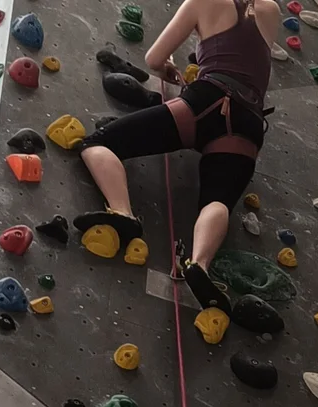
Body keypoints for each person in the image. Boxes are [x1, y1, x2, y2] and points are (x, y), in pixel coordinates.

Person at [75, 0, 280, 310]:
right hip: (249, 122)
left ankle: (122, 213)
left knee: (98, 144)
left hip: (204, 102)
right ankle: (199, 264)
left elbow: (154, 57)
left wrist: (168, 67)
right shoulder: (271, 10)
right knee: (218, 199)